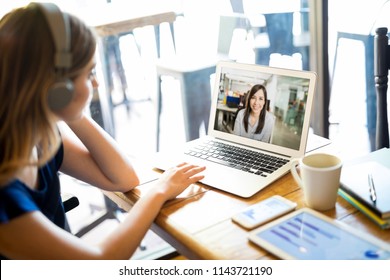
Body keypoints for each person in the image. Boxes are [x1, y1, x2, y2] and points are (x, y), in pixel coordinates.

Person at [0, 2, 205, 259]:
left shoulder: (39, 136)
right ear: (56, 87)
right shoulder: (5, 193)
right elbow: (99, 263)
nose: (96, 83)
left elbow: (122, 178)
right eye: (89, 74)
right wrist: (160, 191)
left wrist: (71, 110)